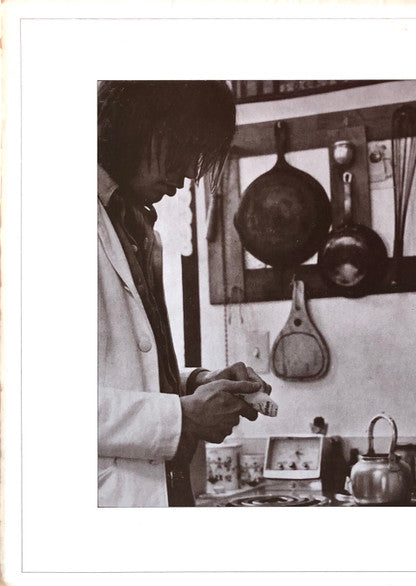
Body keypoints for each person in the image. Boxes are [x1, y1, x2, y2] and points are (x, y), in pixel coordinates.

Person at [97, 80, 270, 507]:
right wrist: (184, 415)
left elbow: (118, 370)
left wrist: (196, 382)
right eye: (185, 146)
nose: (191, 172)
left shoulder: (131, 224)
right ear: (140, 123)